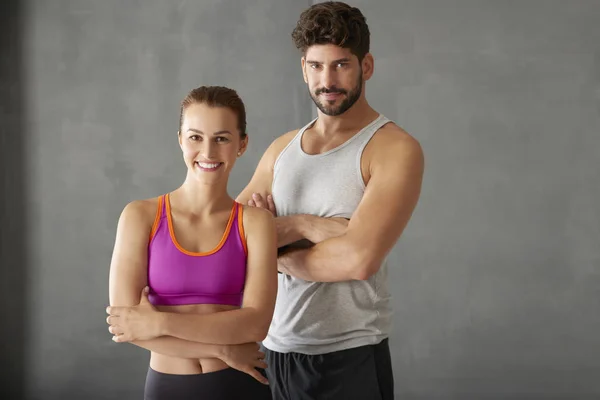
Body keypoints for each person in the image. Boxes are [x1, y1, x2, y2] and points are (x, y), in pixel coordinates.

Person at [236, 2, 425, 399]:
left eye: (341, 64)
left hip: (348, 358)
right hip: (271, 354)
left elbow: (356, 261)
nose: (328, 80)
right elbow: (229, 242)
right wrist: (305, 228)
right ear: (304, 68)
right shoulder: (282, 149)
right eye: (317, 66)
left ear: (366, 66)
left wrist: (271, 245)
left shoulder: (392, 149)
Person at [105, 86, 277, 400]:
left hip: (239, 384)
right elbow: (125, 325)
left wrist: (159, 322)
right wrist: (223, 348)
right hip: (169, 387)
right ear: (181, 140)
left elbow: (256, 325)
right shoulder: (139, 216)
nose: (208, 153)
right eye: (196, 137)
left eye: (222, 138)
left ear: (242, 144)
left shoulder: (256, 223)